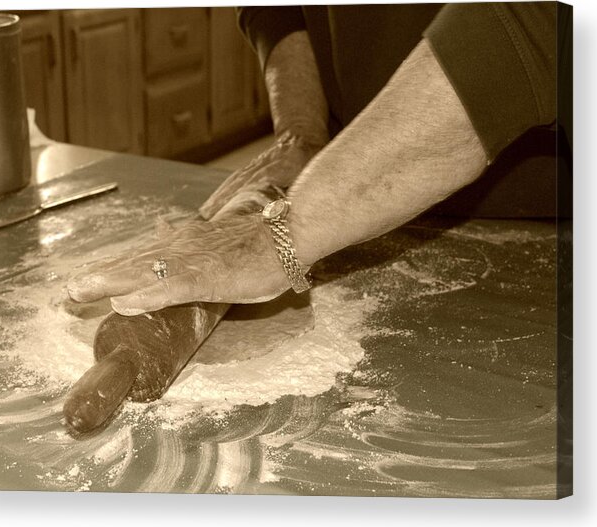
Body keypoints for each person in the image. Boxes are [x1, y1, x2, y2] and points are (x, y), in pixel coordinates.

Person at [67, 2, 567, 314]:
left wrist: (281, 236)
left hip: (553, 208)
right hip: (359, 202)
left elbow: (535, 20)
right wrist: (302, 130)